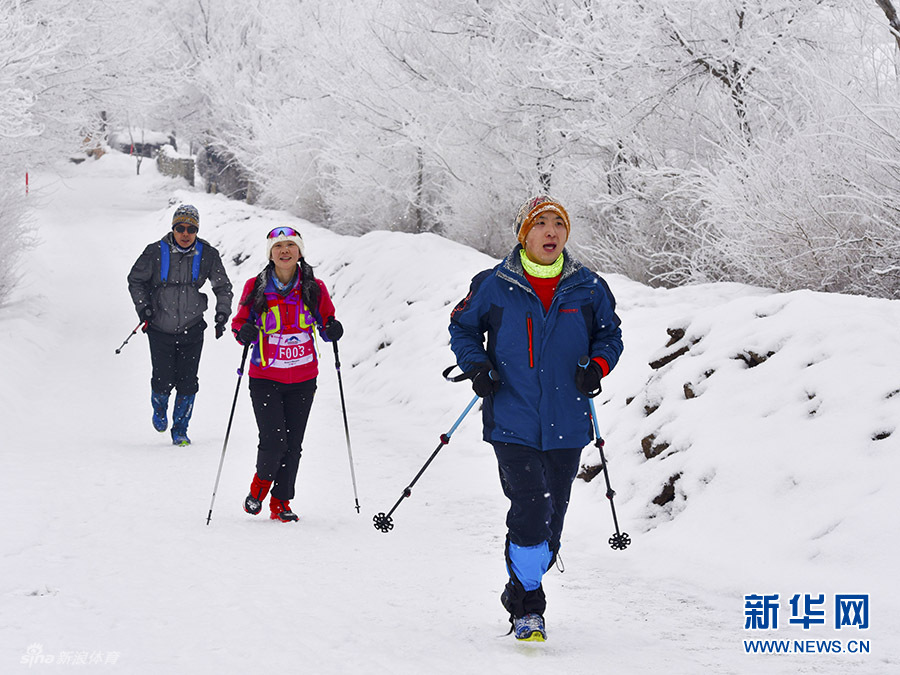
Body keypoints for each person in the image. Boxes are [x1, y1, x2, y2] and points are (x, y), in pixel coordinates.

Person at [448, 195, 624, 641]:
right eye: (541, 224)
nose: (551, 232)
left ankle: (519, 586)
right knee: (530, 509)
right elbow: (463, 327)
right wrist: (477, 366)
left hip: (568, 421)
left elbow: (610, 334)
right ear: (524, 234)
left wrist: (598, 367)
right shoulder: (494, 284)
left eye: (558, 224)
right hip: (512, 419)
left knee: (551, 523)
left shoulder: (588, 286)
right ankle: (530, 608)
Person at [231, 226, 344, 523]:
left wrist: (333, 328)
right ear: (270, 253)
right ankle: (259, 489)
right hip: (265, 376)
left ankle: (281, 502)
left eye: (290, 246)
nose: (285, 251)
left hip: (304, 378)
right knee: (273, 440)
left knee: (293, 444)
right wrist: (243, 331)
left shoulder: (313, 287)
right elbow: (240, 324)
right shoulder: (256, 286)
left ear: (299, 251)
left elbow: (326, 321)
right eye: (278, 246)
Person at [128, 204, 233, 446]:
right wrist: (144, 309)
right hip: (159, 327)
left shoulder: (208, 254)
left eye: (191, 229)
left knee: (188, 382)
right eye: (180, 228)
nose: (185, 234)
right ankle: (159, 408)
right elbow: (135, 281)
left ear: (197, 230)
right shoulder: (154, 252)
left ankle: (181, 429)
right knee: (163, 380)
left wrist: (222, 314)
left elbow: (222, 287)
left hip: (193, 327)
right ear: (173, 228)